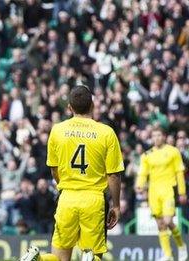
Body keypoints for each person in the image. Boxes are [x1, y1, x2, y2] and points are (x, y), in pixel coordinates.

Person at [21, 85, 124, 261]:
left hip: (67, 197)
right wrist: (115, 205)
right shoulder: (106, 133)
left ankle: (39, 259)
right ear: (92, 105)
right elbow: (113, 175)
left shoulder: (57, 130)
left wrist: (64, 186)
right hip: (93, 199)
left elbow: (54, 169)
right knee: (93, 254)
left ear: (69, 107)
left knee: (59, 257)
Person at [135, 127, 187, 261]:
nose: (156, 138)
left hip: (168, 190)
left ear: (164, 136)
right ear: (151, 138)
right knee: (160, 224)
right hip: (153, 192)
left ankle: (181, 246)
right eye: (154, 136)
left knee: (168, 221)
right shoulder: (147, 155)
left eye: (159, 135)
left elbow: (179, 173)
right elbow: (143, 173)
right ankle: (168, 255)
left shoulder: (173, 152)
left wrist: (182, 192)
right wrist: (139, 185)